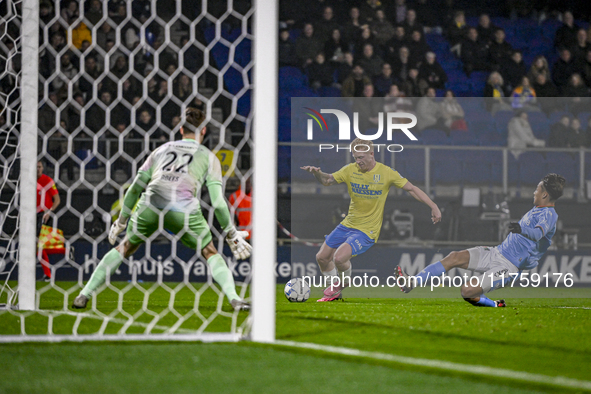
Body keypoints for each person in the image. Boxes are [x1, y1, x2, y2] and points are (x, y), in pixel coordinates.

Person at [72, 108, 251, 310]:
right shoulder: (209, 157)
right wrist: (231, 233)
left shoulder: (161, 150)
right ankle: (234, 298)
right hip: (183, 210)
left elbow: (134, 188)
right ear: (204, 131)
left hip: (152, 203)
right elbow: (218, 203)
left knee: (125, 246)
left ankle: (83, 294)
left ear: (181, 129)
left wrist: (122, 220)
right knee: (209, 251)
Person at [301, 138, 442, 302]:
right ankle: (335, 291)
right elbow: (327, 180)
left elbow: (412, 189)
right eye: (355, 158)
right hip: (348, 224)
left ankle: (341, 284)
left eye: (361, 157)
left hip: (367, 230)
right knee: (322, 257)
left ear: (371, 154)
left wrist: (434, 206)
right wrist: (317, 173)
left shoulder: (387, 173)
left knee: (339, 258)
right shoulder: (350, 170)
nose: (358, 161)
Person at [395, 173, 566, 308]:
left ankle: (495, 305)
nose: (534, 192)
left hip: (508, 266)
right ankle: (412, 282)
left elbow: (537, 234)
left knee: (467, 291)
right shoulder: (538, 209)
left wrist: (522, 229)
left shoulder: (549, 215)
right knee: (454, 256)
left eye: (537, 189)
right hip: (497, 252)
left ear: (544, 194)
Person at [37, 160, 61, 281]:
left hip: (44, 215)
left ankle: (48, 275)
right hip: (31, 215)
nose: (38, 169)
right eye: (36, 167)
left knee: (38, 245)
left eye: (39, 167)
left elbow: (57, 200)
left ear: (42, 168)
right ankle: (65, 249)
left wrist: (49, 211)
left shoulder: (48, 181)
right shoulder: (28, 180)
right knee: (39, 246)